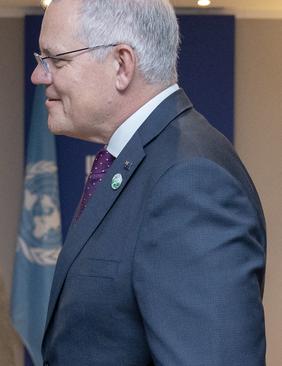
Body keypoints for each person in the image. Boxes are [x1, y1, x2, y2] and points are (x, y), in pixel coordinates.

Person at [32, 0, 266, 365]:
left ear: (122, 65)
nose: (39, 76)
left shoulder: (191, 182)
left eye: (57, 61)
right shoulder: (138, 160)